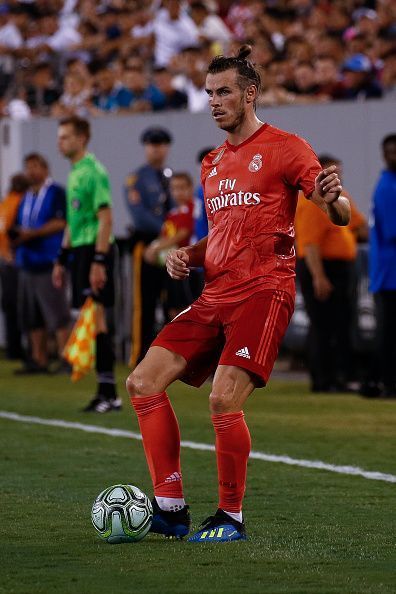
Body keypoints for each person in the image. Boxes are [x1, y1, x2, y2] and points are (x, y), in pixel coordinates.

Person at [126, 45, 350, 542]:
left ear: (250, 94)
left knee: (223, 399)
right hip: (216, 293)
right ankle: (170, 508)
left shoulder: (287, 147)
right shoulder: (211, 164)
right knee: (142, 383)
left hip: (264, 291)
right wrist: (190, 253)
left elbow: (338, 208)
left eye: (223, 91)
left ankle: (231, 517)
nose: (213, 102)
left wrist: (336, 201)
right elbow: (225, 235)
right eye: (208, 93)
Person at [53, 116, 121, 413]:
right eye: (60, 136)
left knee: (98, 321)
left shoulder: (94, 172)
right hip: (80, 252)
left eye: (66, 136)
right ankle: (105, 391)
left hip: (95, 251)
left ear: (82, 138)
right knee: (91, 322)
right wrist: (61, 258)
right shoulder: (74, 172)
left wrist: (99, 261)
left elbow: (106, 219)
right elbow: (73, 221)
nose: (60, 142)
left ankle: (109, 393)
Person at [295, 154, 368, 392]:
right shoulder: (312, 201)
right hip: (322, 267)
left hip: (340, 268)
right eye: (328, 173)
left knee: (339, 324)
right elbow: (311, 244)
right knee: (322, 325)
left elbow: (358, 225)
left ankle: (338, 376)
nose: (335, 178)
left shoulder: (340, 196)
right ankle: (322, 380)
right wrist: (319, 276)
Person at [13, 154, 70, 373]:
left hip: (49, 260)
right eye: (28, 167)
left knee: (57, 313)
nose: (31, 171)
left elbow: (61, 221)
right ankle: (39, 359)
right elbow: (19, 223)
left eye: (35, 166)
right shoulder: (25, 195)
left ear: (46, 169)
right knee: (32, 315)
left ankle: (66, 358)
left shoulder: (56, 192)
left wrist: (34, 233)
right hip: (27, 261)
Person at [124, 126, 174, 367]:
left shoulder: (169, 177)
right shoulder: (137, 179)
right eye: (153, 145)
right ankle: (139, 355)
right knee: (144, 303)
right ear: (146, 147)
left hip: (169, 245)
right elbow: (139, 214)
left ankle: (167, 358)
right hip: (147, 244)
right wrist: (167, 229)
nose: (158, 149)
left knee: (171, 302)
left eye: (162, 144)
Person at [367, 134, 396, 397]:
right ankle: (385, 383)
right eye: (390, 152)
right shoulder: (388, 187)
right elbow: (392, 232)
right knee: (387, 333)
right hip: (389, 274)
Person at [144, 172, 195, 320]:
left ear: (190, 188)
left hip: (188, 268)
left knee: (186, 308)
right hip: (173, 268)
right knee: (172, 308)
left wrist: (156, 248)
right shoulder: (172, 214)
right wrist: (151, 249)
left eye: (182, 188)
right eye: (174, 188)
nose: (178, 192)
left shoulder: (193, 209)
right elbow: (165, 235)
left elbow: (182, 234)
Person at [0, 172, 29, 359]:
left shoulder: (17, 201)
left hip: (15, 259)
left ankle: (18, 348)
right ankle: (14, 348)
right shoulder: (10, 201)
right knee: (12, 305)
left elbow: (17, 231)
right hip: (8, 259)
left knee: (17, 305)